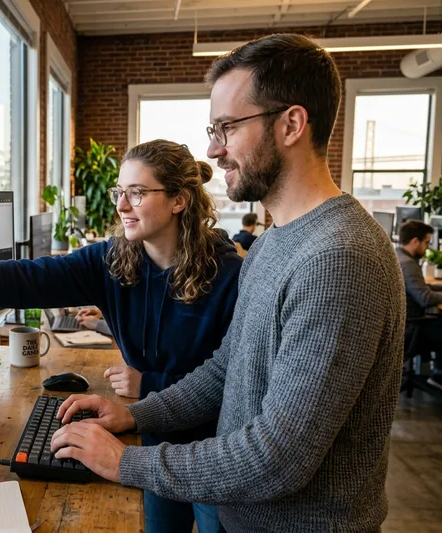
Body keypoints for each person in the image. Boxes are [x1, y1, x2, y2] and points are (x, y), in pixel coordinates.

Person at [48, 33, 405, 532]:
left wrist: (124, 462)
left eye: (228, 128)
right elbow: (227, 369)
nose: (213, 149)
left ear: (292, 124)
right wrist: (137, 416)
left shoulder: (338, 259)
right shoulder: (276, 241)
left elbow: (277, 457)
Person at [0, 140, 243, 533]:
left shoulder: (228, 276)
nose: (121, 205)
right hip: (146, 435)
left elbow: (232, 383)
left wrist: (149, 383)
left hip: (209, 450)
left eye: (137, 193)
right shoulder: (114, 261)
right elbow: (30, 277)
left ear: (178, 200)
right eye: (121, 192)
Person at [396, 220, 442, 389]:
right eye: (427, 243)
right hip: (412, 328)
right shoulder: (408, 264)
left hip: (408, 323)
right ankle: (438, 375)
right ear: (415, 241)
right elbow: (424, 297)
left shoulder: (399, 256)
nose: (427, 248)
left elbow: (422, 287)